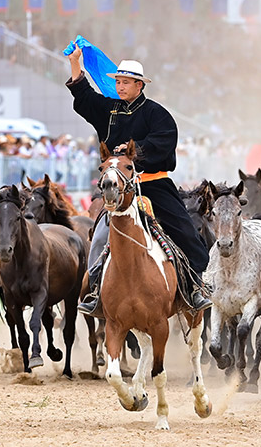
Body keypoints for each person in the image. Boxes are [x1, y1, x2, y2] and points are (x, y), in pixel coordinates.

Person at [66, 45, 212, 314]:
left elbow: (165, 140)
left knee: (185, 230)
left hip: (153, 183)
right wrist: (76, 63)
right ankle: (95, 289)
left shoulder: (157, 113)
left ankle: (195, 286)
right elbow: (83, 97)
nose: (120, 87)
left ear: (139, 85)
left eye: (125, 83)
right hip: (118, 186)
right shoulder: (109, 109)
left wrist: (134, 151)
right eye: (117, 82)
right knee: (98, 236)